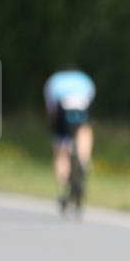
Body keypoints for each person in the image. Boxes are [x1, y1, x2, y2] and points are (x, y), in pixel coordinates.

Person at [43, 68, 95, 211]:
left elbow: (51, 110)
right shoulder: (84, 78)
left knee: (61, 151)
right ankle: (84, 160)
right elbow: (91, 99)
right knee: (85, 130)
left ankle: (63, 187)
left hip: (63, 107)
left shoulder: (54, 80)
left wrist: (56, 129)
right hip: (83, 105)